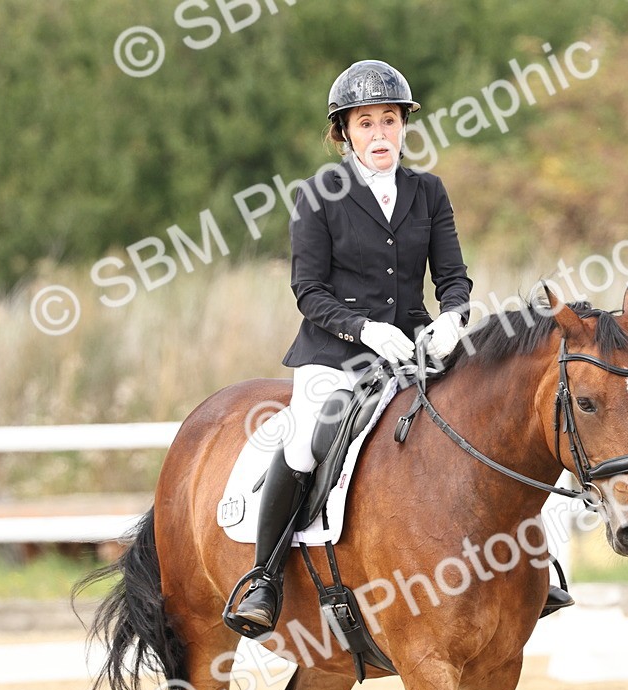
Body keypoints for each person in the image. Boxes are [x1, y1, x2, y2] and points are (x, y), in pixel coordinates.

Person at [225, 60, 571, 633]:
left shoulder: (427, 191)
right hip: (335, 352)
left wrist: (453, 318)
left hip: (419, 347)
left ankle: (533, 562)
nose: (380, 133)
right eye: (366, 124)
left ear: (404, 126)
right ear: (345, 133)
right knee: (308, 443)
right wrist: (362, 330)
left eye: (389, 120)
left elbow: (453, 276)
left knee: (499, 415)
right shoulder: (318, 196)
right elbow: (307, 291)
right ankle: (263, 578)